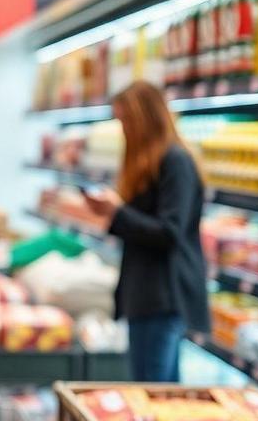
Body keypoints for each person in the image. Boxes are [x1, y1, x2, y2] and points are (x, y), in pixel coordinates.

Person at [83, 80, 210, 382]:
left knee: (152, 391)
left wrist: (117, 211)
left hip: (162, 296)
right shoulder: (148, 163)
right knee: (157, 388)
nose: (123, 129)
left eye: (126, 120)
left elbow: (170, 231)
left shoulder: (175, 161)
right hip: (144, 294)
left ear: (144, 119)